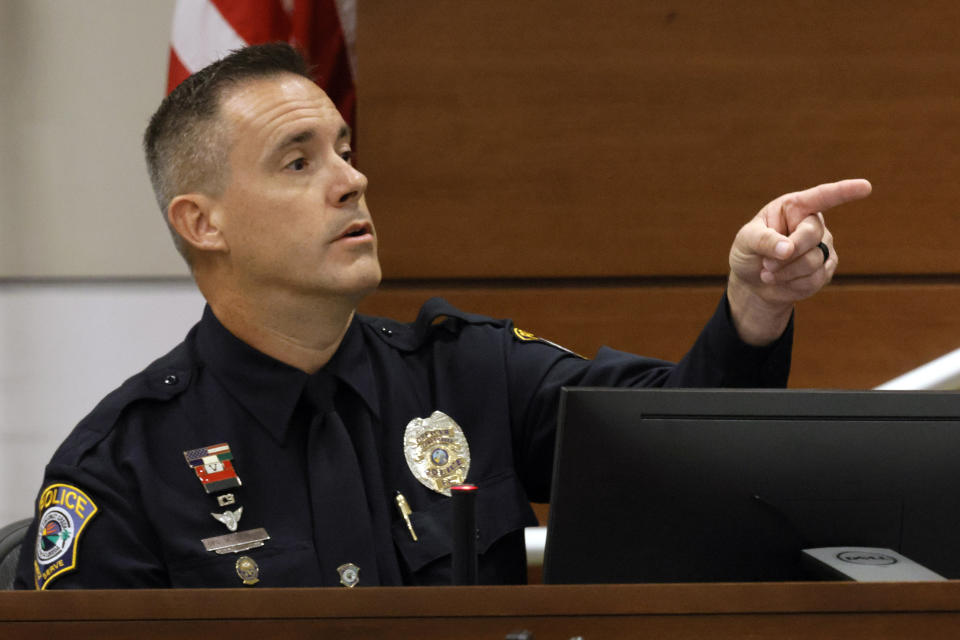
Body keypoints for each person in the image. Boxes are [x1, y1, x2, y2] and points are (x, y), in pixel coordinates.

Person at [15, 43, 871, 590]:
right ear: (203, 223)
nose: (351, 180)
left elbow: (686, 460)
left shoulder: (471, 371)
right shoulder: (121, 468)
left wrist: (755, 306)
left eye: (346, 151)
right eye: (298, 161)